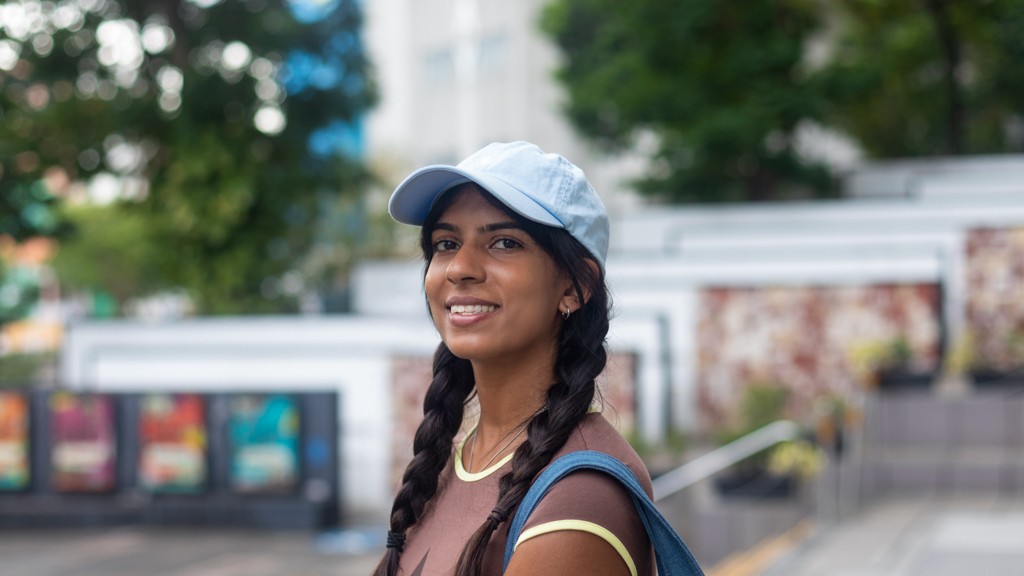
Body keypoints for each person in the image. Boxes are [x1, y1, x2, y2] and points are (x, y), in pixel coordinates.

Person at [375, 142, 653, 576]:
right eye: (445, 243)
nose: (459, 267)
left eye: (504, 242)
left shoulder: (578, 500)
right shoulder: (445, 467)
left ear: (575, 286)